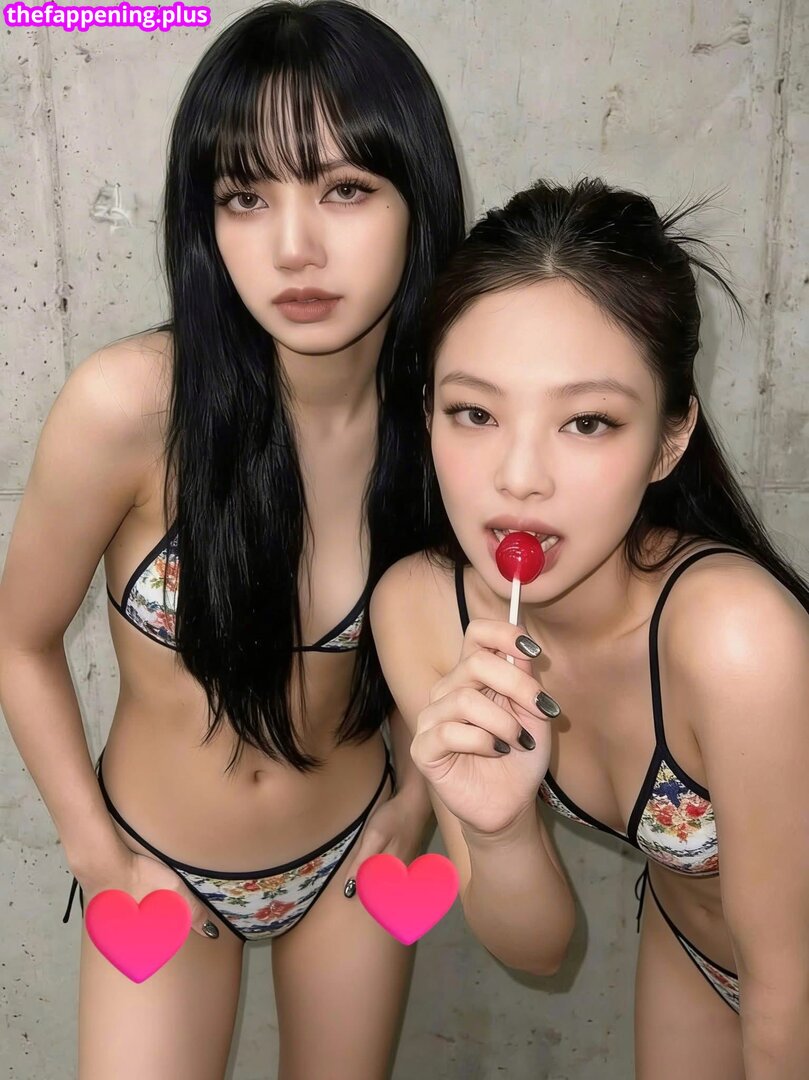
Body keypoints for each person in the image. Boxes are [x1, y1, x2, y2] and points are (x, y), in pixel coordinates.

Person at [0, 2, 465, 1076]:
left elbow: (465, 635)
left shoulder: (453, 418)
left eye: (345, 188)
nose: (293, 247)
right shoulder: (130, 407)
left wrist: (416, 805)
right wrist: (96, 853)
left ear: (419, 198)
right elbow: (19, 642)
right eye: (245, 197)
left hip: (353, 859)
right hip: (156, 873)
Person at [371, 178, 809, 1079]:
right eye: (474, 412)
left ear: (668, 440)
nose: (519, 476)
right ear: (427, 416)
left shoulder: (735, 638)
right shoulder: (419, 610)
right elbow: (537, 950)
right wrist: (497, 833)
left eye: (586, 421)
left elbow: (787, 984)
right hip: (693, 957)